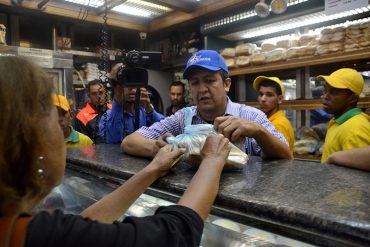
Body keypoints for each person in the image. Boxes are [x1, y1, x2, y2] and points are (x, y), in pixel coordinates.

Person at [0, 56, 232, 247]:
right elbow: (174, 234)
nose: (63, 127)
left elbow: (83, 226)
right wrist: (212, 160)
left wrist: (151, 170)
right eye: (54, 117)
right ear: (29, 139)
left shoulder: (20, 229)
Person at [122, 50, 292, 160]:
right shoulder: (184, 117)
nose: (202, 89)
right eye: (195, 83)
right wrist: (155, 148)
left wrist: (259, 132)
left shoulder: (250, 117)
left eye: (210, 81)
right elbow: (129, 142)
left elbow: (286, 156)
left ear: (226, 84)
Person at [102, 63, 165, 144]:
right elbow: (113, 140)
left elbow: (165, 127)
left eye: (134, 83)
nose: (131, 88)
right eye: (127, 83)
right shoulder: (107, 117)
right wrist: (116, 83)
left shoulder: (143, 114)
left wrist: (149, 109)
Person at [317, 68, 370, 162]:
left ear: (352, 98)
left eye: (334, 92)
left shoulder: (354, 130)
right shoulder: (339, 122)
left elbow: (358, 175)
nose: (325, 96)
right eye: (325, 90)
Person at [253, 76, 295, 153]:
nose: (263, 99)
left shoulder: (278, 125)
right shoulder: (268, 121)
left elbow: (279, 157)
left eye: (269, 95)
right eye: (261, 94)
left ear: (280, 99)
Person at [74, 79, 112, 144]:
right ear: (89, 96)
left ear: (105, 92)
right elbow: (84, 144)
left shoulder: (113, 109)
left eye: (101, 93)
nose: (99, 96)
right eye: (94, 94)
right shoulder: (81, 116)